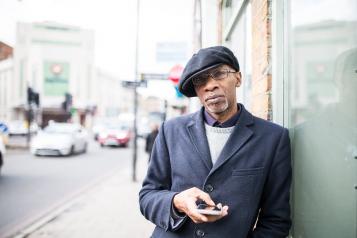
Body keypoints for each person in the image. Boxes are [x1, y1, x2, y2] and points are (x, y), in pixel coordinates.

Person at [139, 46, 292, 238]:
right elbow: (147, 196)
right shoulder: (170, 131)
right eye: (201, 80)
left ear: (238, 78)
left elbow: (276, 221)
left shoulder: (273, 139)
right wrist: (177, 201)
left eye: (219, 74)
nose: (210, 85)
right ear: (197, 89)